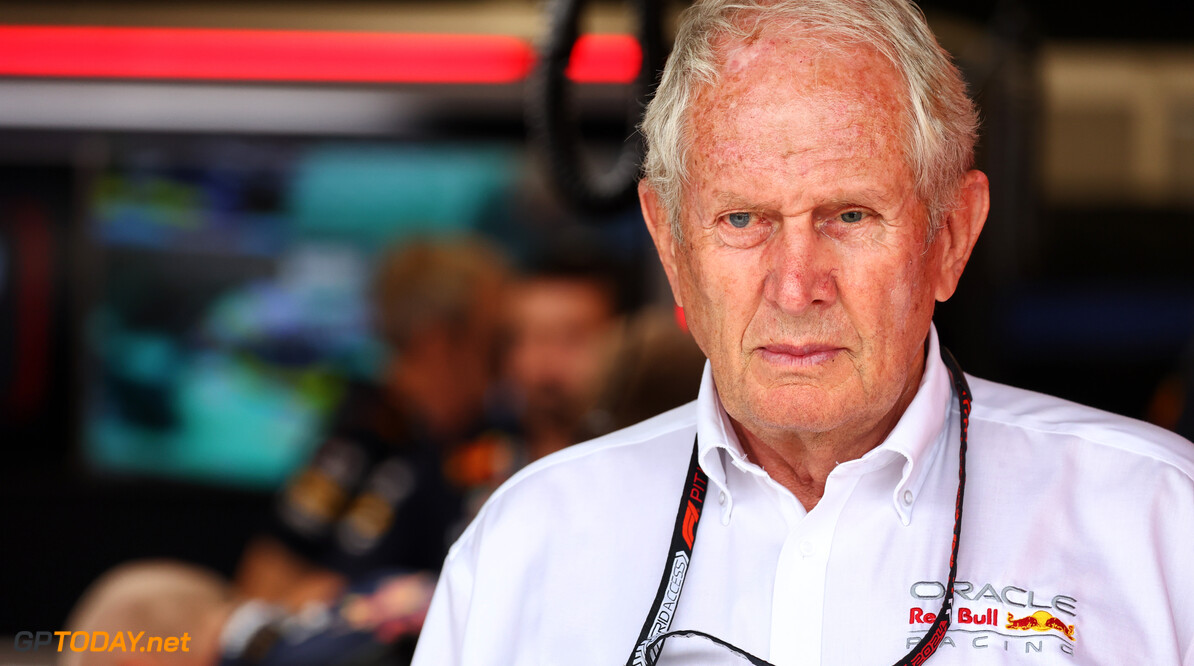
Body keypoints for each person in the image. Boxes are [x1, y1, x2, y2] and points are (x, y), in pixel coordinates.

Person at [411, 1, 1194, 664]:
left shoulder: (1157, 520)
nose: (795, 287)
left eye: (850, 216)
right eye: (742, 219)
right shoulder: (527, 542)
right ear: (671, 246)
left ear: (951, 236)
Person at [237, 237, 519, 609]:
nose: (510, 355)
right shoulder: (363, 428)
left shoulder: (504, 440)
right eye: (497, 338)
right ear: (437, 340)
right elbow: (262, 582)